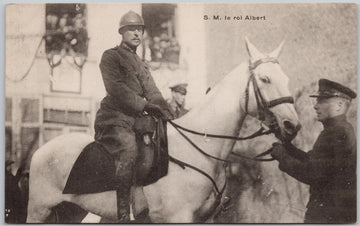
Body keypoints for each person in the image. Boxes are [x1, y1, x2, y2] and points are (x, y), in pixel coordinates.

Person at [94, 10, 173, 222]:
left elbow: (153, 91)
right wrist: (145, 105)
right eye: (132, 29)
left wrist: (167, 113)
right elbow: (116, 88)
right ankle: (122, 214)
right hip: (114, 119)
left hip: (137, 121)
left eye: (140, 29)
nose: (137, 33)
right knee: (129, 150)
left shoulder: (142, 63)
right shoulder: (111, 56)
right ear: (122, 32)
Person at [270, 79, 356, 223]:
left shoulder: (337, 132)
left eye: (322, 101)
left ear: (339, 105)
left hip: (330, 216)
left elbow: (312, 173)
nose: (315, 106)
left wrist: (282, 156)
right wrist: (288, 148)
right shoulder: (339, 129)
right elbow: (316, 162)